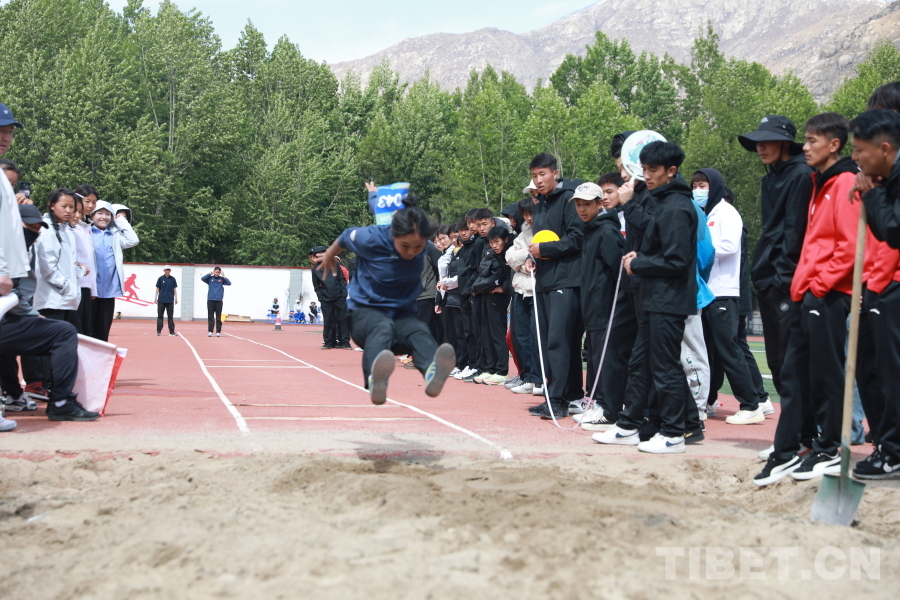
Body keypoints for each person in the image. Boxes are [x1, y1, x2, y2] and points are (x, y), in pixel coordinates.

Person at [755, 113, 861, 485]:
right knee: (795, 371)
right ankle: (793, 447)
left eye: (813, 140)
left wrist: (816, 285)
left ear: (834, 144)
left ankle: (829, 446)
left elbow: (848, 246)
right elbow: (813, 244)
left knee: (826, 374)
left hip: (828, 292)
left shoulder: (843, 181)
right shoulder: (820, 182)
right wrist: (804, 285)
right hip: (807, 290)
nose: (806, 146)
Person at [593, 141, 698, 454]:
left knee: (665, 367)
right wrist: (641, 257)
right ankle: (629, 425)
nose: (647, 176)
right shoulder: (663, 201)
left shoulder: (677, 206)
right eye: (644, 169)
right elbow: (659, 246)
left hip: (669, 299)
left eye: (653, 170)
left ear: (671, 171)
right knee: (640, 363)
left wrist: (639, 263)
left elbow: (677, 260)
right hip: (653, 297)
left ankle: (674, 433)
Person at [316, 194, 456, 405]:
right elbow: (346, 236)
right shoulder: (371, 237)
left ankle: (431, 372)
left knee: (418, 331)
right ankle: (376, 379)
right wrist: (329, 255)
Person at [739, 116, 814, 403]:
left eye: (767, 141)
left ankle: (805, 428)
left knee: (791, 364)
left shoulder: (802, 174)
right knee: (777, 363)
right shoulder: (770, 178)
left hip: (787, 281)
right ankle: (795, 427)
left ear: (785, 143)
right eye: (757, 142)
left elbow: (795, 230)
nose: (760, 147)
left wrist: (784, 278)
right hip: (769, 279)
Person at [1, 204, 98, 422]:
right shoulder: (8, 247)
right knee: (64, 332)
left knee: (58, 330)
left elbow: (21, 295)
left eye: (37, 228)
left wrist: (31, 314)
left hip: (8, 319)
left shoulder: (27, 250)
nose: (33, 232)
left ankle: (16, 395)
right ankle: (60, 402)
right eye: (29, 227)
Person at [693, 169, 772, 424]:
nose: (698, 190)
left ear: (714, 186)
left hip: (723, 292)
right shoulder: (707, 214)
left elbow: (729, 246)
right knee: (708, 351)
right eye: (695, 185)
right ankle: (706, 401)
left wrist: (700, 248)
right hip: (707, 292)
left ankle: (751, 404)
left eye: (702, 185)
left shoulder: (727, 212)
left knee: (729, 349)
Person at [851, 108, 900, 479]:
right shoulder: (883, 177)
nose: (855, 158)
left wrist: (873, 193)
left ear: (884, 148)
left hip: (892, 287)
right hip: (876, 285)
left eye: (860, 150)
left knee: (891, 371)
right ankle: (886, 444)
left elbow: (893, 231)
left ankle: (894, 450)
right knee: (869, 366)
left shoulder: (885, 184)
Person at [527, 153, 585, 419]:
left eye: (543, 174)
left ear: (555, 173)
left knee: (559, 341)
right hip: (544, 280)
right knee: (553, 340)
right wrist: (533, 259)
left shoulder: (570, 200)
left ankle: (558, 399)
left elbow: (577, 238)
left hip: (567, 280)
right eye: (534, 176)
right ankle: (568, 394)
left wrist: (545, 249)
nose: (538, 180)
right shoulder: (539, 205)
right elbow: (539, 242)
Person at [567, 182, 624, 431]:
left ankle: (608, 408)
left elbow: (619, 271)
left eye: (587, 204)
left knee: (606, 359)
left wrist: (612, 301)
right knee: (595, 356)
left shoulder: (606, 231)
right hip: (592, 305)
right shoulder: (589, 230)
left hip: (605, 306)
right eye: (579, 204)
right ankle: (599, 403)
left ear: (600, 204)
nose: (582, 209)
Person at [34, 189, 85, 331]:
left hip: (65, 300)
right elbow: (47, 267)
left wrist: (79, 272)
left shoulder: (66, 231)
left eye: (72, 207)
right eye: (64, 206)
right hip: (51, 300)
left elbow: (69, 265)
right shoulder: (46, 230)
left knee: (71, 339)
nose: (68, 211)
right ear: (52, 205)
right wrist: (66, 286)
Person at [89, 200, 139, 342]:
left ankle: (101, 355)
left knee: (103, 331)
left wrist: (121, 220)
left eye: (107, 214)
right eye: (99, 213)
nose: (103, 217)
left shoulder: (115, 235)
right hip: (90, 290)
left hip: (109, 291)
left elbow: (133, 240)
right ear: (92, 215)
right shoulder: (87, 232)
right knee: (87, 330)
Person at [505, 198, 541, 395]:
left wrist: (524, 257)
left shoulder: (546, 230)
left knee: (536, 336)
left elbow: (540, 258)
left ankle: (538, 378)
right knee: (521, 335)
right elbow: (509, 257)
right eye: (525, 214)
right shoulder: (523, 233)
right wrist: (527, 255)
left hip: (536, 289)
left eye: (531, 213)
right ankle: (527, 376)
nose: (529, 218)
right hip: (520, 289)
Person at [472, 226, 513, 385]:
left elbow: (510, 275)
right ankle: (491, 368)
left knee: (497, 333)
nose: (494, 245)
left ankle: (502, 371)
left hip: (499, 297)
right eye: (491, 242)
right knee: (487, 332)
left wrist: (503, 288)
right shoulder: (491, 254)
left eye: (497, 242)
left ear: (505, 240)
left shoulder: (509, 254)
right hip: (487, 295)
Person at [309, 246, 351, 349]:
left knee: (343, 318)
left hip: (339, 297)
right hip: (325, 299)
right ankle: (329, 342)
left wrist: (343, 294)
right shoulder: (315, 269)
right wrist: (321, 297)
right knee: (328, 320)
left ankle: (345, 342)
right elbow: (316, 286)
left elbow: (342, 279)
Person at [70, 194, 97, 335]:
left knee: (84, 330)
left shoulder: (87, 228)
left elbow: (90, 261)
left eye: (79, 212)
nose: (76, 215)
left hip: (85, 287)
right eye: (88, 201)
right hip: (71, 287)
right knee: (74, 331)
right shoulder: (67, 230)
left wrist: (93, 288)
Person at [201, 267, 230, 337]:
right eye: (216, 272)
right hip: (210, 299)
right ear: (214, 271)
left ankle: (218, 331)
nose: (217, 273)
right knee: (210, 316)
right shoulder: (210, 278)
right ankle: (210, 331)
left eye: (218, 272)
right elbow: (202, 278)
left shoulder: (221, 279)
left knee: (218, 317)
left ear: (220, 272)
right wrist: (209, 274)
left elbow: (229, 283)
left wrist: (224, 276)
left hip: (219, 300)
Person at [154, 266, 178, 336]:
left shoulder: (173, 279)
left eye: (168, 270)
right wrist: (155, 297)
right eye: (166, 270)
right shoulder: (160, 278)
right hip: (161, 300)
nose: (167, 271)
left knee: (170, 316)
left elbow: (174, 289)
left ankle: (171, 331)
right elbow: (157, 289)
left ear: (170, 271)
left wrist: (176, 298)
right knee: (160, 316)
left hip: (170, 300)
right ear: (164, 271)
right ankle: (159, 331)